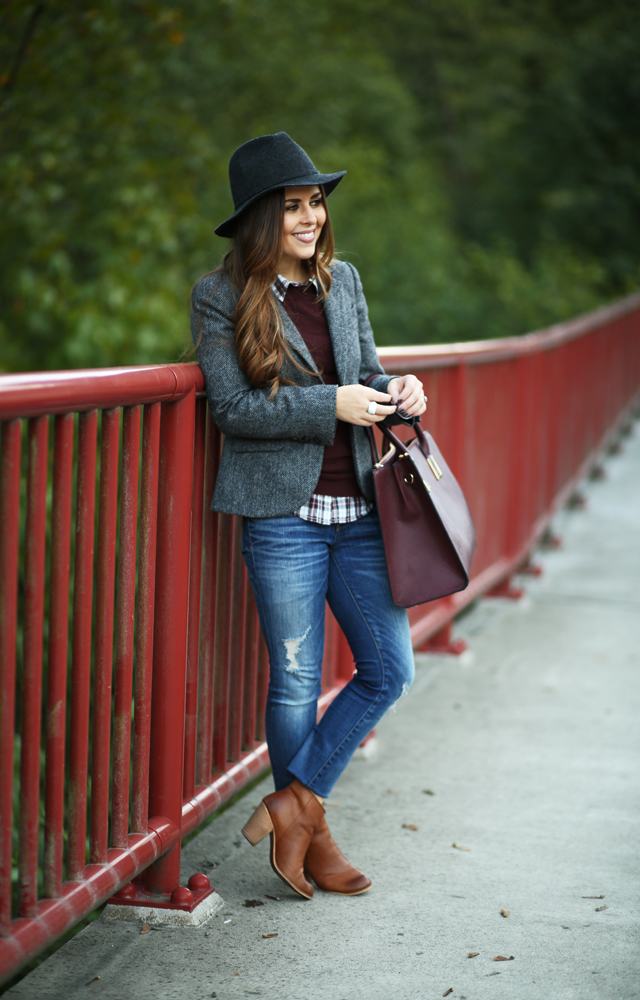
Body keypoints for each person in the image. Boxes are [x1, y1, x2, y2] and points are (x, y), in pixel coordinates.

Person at [191, 132, 427, 900]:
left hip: (359, 506)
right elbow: (231, 406)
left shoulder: (343, 282)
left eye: (316, 202)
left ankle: (293, 808)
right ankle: (313, 837)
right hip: (281, 514)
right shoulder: (220, 295)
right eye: (292, 206)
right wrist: (332, 403)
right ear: (261, 217)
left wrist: (402, 389)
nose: (310, 218)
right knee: (295, 680)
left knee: (390, 668)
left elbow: (365, 373)